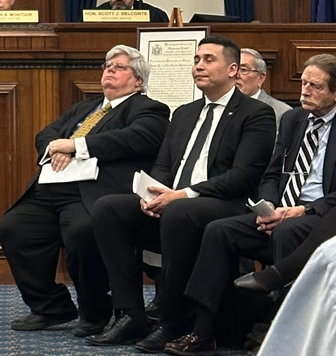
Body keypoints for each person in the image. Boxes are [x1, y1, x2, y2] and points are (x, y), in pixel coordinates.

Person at [85, 35, 275, 351]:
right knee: (109, 208)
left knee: (179, 211)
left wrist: (183, 195)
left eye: (208, 60)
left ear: (232, 70)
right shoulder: (184, 112)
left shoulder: (255, 113)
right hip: (177, 204)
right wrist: (152, 195)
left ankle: (171, 319)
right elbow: (163, 166)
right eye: (196, 60)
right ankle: (130, 313)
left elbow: (243, 177)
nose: (199, 66)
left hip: (223, 204)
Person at [162, 54, 336, 355]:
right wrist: (268, 203)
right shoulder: (294, 119)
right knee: (219, 231)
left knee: (287, 231)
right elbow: (271, 173)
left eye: (316, 87)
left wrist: (303, 210)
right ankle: (203, 331)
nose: (305, 91)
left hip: (318, 214)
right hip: (280, 210)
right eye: (304, 83)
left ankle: (275, 332)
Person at [0, 45, 169, 337]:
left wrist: (77, 146)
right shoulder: (85, 107)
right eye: (107, 66)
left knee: (81, 232)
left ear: (138, 81)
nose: (109, 70)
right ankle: (51, 306)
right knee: (14, 228)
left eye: (119, 67)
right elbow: (47, 133)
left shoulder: (148, 108)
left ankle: (95, 311)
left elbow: (137, 138)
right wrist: (56, 148)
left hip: (92, 193)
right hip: (52, 187)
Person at [236, 48, 292, 125]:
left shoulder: (282, 112)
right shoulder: (222, 107)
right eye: (233, 69)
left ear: (260, 78)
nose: (236, 75)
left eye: (243, 70)